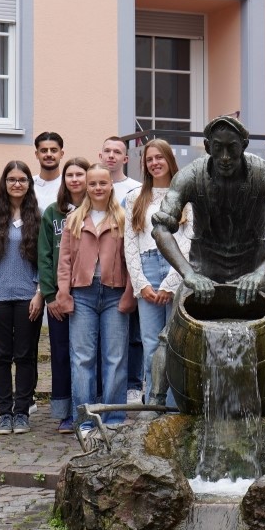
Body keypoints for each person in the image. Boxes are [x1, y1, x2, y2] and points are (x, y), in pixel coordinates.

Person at [150, 114, 265, 410]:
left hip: (254, 266)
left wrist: (263, 272)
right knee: (167, 335)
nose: (225, 156)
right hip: (203, 268)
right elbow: (160, 227)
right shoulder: (188, 175)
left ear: (244, 145)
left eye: (232, 148)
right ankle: (157, 400)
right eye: (218, 148)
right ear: (208, 146)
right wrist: (188, 273)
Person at [57, 163, 135, 435]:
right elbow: (65, 261)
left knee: (115, 358)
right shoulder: (75, 219)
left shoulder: (124, 218)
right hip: (83, 294)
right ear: (86, 186)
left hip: (115, 293)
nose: (98, 188)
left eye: (103, 183)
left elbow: (131, 261)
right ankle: (85, 420)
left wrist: (129, 294)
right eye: (93, 184)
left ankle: (114, 419)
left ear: (111, 185)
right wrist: (63, 292)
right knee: (82, 359)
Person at [0, 161, 44, 436]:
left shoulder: (38, 216)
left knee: (26, 356)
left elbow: (45, 260)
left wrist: (40, 293)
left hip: (29, 296)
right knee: (1, 356)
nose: (17, 184)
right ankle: (5, 413)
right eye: (12, 179)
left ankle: (22, 412)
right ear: (4, 183)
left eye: (22, 179)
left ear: (29, 184)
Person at [124, 140, 192, 405]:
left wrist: (171, 283)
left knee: (177, 340)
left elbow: (189, 240)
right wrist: (140, 283)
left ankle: (177, 405)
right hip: (147, 266)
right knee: (151, 341)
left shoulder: (185, 195)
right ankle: (154, 402)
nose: (154, 163)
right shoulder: (135, 198)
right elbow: (129, 243)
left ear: (169, 160)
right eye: (149, 159)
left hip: (177, 268)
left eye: (159, 158)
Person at [38, 157, 89, 433]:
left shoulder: (96, 210)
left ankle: (89, 408)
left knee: (84, 354)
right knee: (60, 354)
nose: (75, 180)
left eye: (80, 174)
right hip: (57, 297)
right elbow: (44, 256)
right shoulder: (51, 213)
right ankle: (64, 412)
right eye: (70, 175)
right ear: (64, 180)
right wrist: (49, 295)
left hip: (87, 295)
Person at [99, 135, 143, 402]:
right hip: (102, 270)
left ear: (125, 158)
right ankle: (107, 386)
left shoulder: (136, 190)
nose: (112, 155)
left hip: (132, 265)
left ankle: (133, 385)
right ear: (100, 155)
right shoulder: (93, 185)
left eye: (117, 152)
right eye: (107, 151)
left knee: (134, 332)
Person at [33, 131, 65, 211]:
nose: (49, 154)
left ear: (61, 154)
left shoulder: (68, 184)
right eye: (44, 151)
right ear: (37, 154)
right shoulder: (28, 183)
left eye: (54, 150)